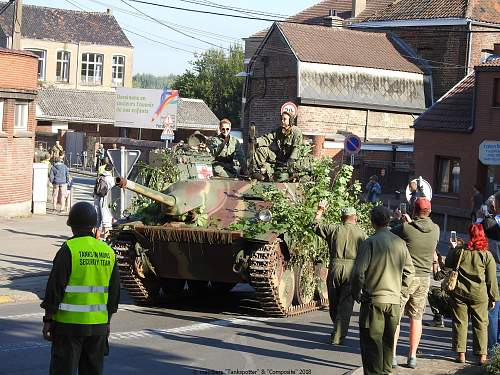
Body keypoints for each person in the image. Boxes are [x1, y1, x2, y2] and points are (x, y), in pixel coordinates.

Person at [41, 202, 120, 375]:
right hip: (98, 327)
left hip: (68, 327)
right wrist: (107, 322)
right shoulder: (108, 251)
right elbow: (114, 294)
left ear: (72, 226)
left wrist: (48, 320)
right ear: (93, 226)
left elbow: (55, 289)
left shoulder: (69, 250)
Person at [351, 206, 414, 375]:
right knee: (387, 343)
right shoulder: (400, 243)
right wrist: (401, 293)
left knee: (371, 345)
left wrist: (357, 293)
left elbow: (358, 272)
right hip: (393, 302)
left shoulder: (369, 242)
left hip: (374, 301)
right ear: (388, 221)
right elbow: (410, 272)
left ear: (373, 222)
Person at [391, 197, 440, 369]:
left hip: (406, 277)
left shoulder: (405, 228)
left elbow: (390, 232)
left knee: (395, 316)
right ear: (430, 211)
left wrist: (398, 219)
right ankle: (412, 357)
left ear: (413, 210)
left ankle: (392, 356)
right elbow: (420, 230)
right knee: (416, 317)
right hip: (424, 278)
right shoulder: (436, 229)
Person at [312, 204, 367, 345]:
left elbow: (315, 225)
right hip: (352, 269)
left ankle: (336, 328)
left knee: (334, 302)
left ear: (342, 218)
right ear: (355, 218)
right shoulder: (362, 234)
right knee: (346, 304)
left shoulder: (334, 229)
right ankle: (338, 335)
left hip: (335, 267)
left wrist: (320, 210)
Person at [446, 224, 498, 364]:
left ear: (470, 234)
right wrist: (494, 297)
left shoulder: (459, 251)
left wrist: (452, 248)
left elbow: (448, 263)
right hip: (479, 294)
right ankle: (482, 356)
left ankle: (461, 354)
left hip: (459, 293)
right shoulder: (486, 255)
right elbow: (491, 279)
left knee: (460, 322)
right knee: (481, 323)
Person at [252, 111, 302, 181]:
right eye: (281, 119)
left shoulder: (296, 131)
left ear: (290, 121)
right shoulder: (279, 130)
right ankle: (259, 171)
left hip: (291, 160)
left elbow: (297, 147)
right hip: (279, 157)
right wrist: (256, 141)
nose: (282, 121)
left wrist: (291, 159)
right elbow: (267, 138)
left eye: (284, 119)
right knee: (261, 150)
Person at [479, 192, 500, 350]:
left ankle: (493, 350)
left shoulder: (489, 224)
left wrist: (483, 216)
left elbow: (476, 233)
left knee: (492, 311)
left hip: (494, 272)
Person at [94, 164, 114, 240]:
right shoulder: (111, 179)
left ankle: (96, 238)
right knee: (106, 222)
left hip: (97, 199)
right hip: (106, 200)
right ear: (111, 170)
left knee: (97, 221)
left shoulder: (99, 177)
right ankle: (107, 239)